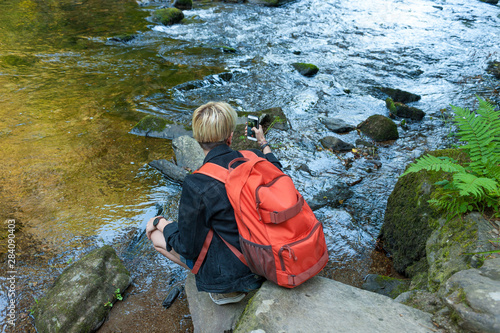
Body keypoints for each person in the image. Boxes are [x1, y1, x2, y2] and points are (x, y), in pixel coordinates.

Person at [146, 101, 282, 305]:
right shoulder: (253, 159)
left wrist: (161, 223)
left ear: (197, 139)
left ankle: (224, 292)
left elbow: (187, 247)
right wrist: (263, 143)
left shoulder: (197, 183)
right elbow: (277, 170)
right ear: (230, 136)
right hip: (268, 258)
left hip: (235, 275)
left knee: (157, 236)